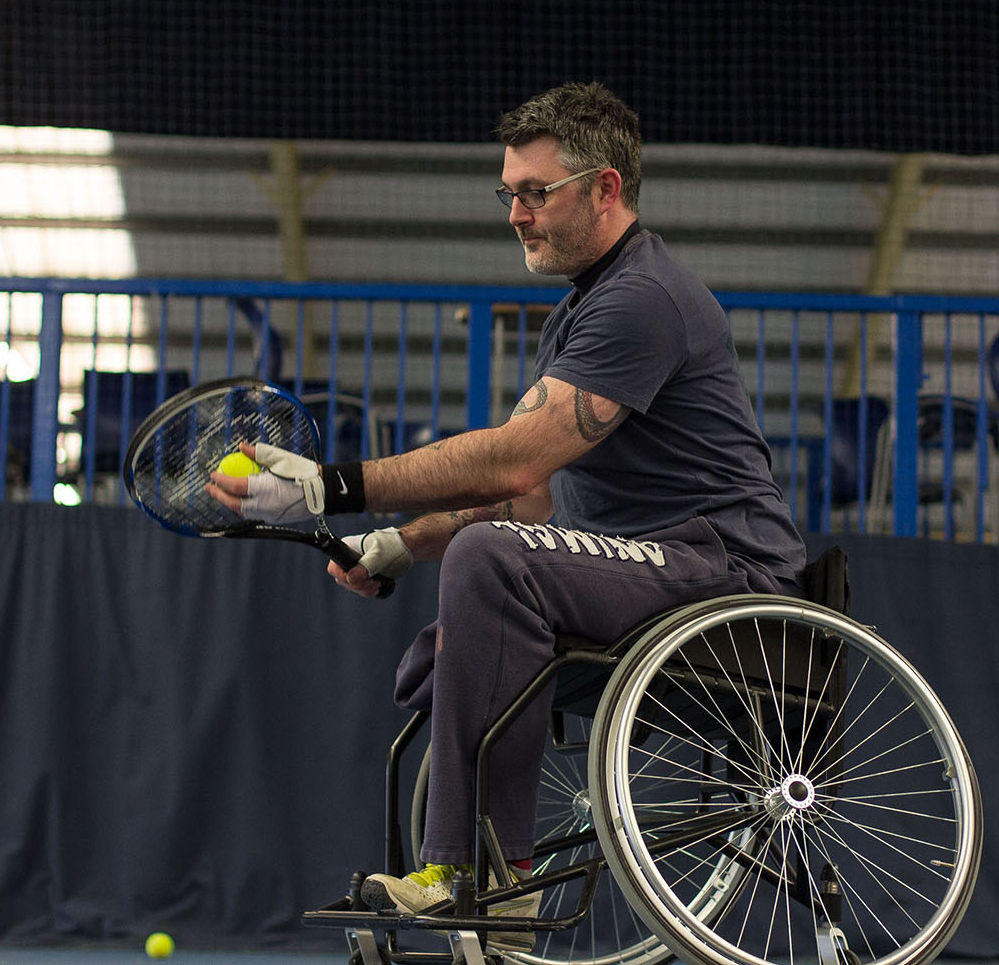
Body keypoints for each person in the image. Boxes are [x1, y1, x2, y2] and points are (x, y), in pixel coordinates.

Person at [207, 82, 806, 937]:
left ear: (604, 188)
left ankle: (478, 875)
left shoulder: (644, 299)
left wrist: (329, 486)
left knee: (490, 559)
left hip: (726, 574)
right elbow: (530, 494)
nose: (516, 215)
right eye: (509, 194)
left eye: (535, 193)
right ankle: (477, 876)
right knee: (456, 620)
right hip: (647, 567)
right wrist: (394, 544)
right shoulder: (577, 315)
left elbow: (515, 456)